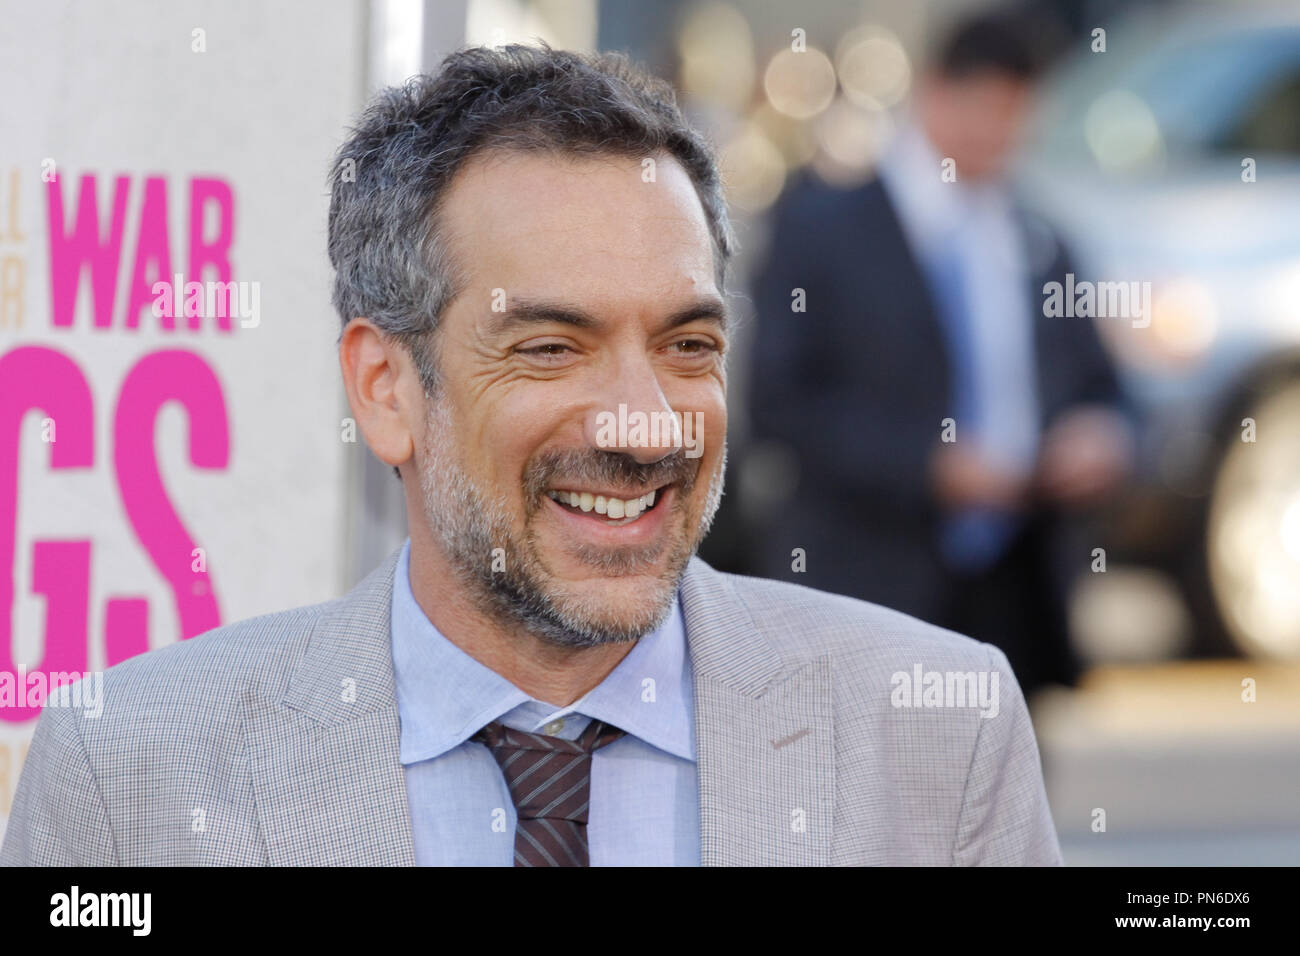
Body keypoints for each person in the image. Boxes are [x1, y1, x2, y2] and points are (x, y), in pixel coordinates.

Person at [2, 44, 1060, 866]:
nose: (642, 424)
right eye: (551, 348)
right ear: (385, 389)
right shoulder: (129, 773)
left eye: (687, 345)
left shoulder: (935, 735)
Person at [749, 9, 1132, 701]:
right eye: (985, 108)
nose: (1000, 134)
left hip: (1013, 587)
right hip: (866, 585)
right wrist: (929, 467)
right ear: (935, 93)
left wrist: (1101, 436)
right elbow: (778, 403)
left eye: (1017, 114)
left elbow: (1101, 385)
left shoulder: (1039, 239)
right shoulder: (823, 226)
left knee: (996, 798)